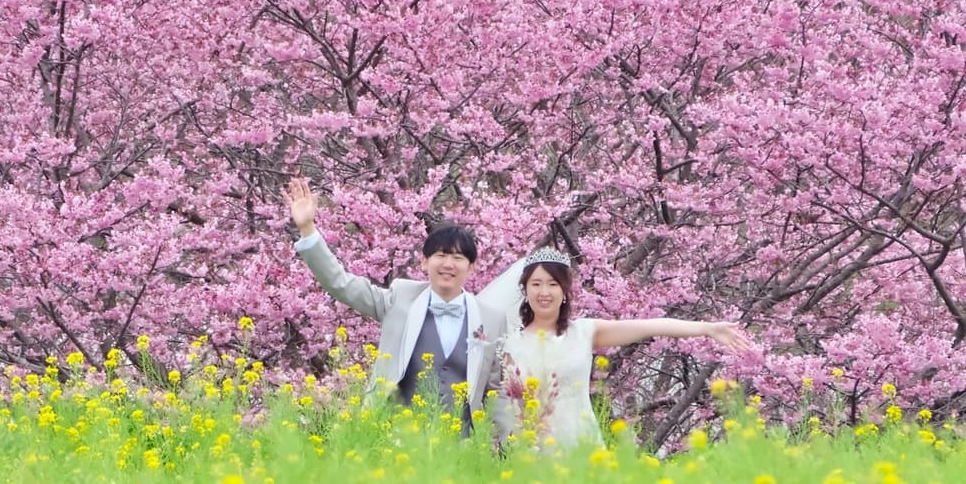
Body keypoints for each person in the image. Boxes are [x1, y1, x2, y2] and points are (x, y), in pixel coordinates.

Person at [285, 178, 511, 426]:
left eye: (458, 258)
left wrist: (501, 446)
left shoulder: (492, 318)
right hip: (394, 437)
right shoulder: (399, 298)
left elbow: (496, 391)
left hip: (462, 448)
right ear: (424, 262)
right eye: (441, 256)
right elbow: (341, 284)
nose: (448, 264)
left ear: (472, 266)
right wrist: (307, 229)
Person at [492, 247, 754, 450]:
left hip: (580, 446)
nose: (544, 292)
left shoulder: (584, 332)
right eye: (536, 284)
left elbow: (651, 326)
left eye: (552, 284)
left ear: (565, 291)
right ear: (525, 289)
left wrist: (707, 329)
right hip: (529, 452)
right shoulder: (508, 342)